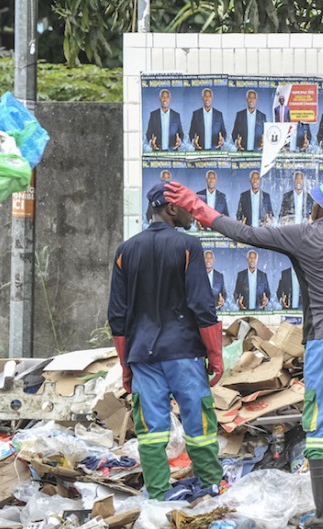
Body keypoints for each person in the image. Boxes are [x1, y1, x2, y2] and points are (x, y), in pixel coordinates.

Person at [165, 177, 323, 529]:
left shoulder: (304, 234)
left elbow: (242, 232)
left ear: (320, 207)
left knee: (320, 428)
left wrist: (195, 205)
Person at [107, 182, 225, 501]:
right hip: (184, 353)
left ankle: (159, 492)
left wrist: (125, 365)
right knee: (198, 424)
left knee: (151, 430)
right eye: (189, 206)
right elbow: (202, 305)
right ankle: (211, 484)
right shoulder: (188, 246)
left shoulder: (126, 251)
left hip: (142, 355)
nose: (192, 211)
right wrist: (215, 354)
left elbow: (117, 316)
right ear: (172, 209)